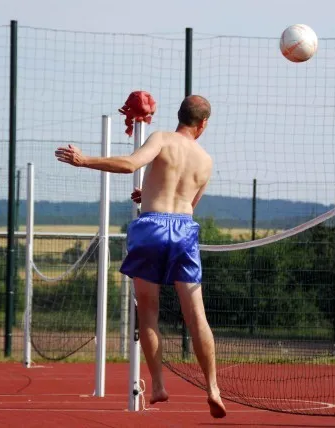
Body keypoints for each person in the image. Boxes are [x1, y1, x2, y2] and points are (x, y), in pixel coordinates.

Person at [54, 94, 226, 419]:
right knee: (197, 316)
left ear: (179, 116)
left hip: (151, 228)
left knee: (148, 312)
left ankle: (158, 384)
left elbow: (131, 164)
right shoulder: (205, 160)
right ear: (203, 124)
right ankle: (213, 388)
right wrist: (151, 194)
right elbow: (188, 204)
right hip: (184, 229)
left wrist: (85, 160)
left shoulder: (162, 138)